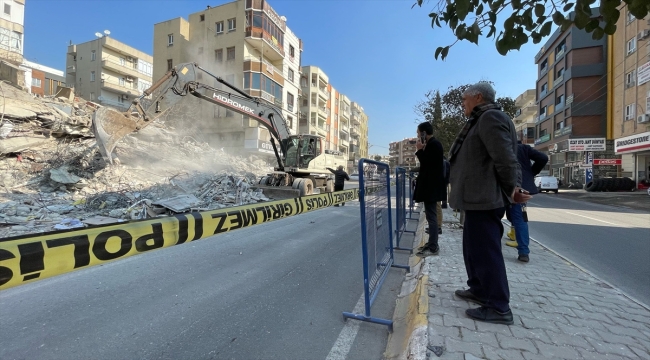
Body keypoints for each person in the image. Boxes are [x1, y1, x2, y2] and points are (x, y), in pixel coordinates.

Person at [448, 82, 531, 325]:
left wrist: (513, 188)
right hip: (476, 198)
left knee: (486, 252)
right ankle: (479, 289)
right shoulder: (480, 119)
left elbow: (506, 159)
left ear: (478, 97)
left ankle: (499, 307)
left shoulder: (490, 117)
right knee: (473, 250)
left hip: (484, 198)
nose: (462, 103)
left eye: (465, 99)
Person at [505, 140, 548, 263]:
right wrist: (531, 172)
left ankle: (493, 247)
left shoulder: (499, 145)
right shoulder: (523, 148)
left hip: (501, 187)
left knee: (494, 216)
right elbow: (543, 158)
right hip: (521, 187)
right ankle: (524, 252)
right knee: (520, 218)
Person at [413, 121, 446, 257]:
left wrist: (420, 150)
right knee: (430, 216)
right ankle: (432, 243)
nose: (417, 135)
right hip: (430, 187)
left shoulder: (434, 145)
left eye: (418, 132)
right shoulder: (432, 145)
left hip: (431, 188)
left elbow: (427, 164)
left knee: (431, 217)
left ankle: (433, 246)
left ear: (423, 133)